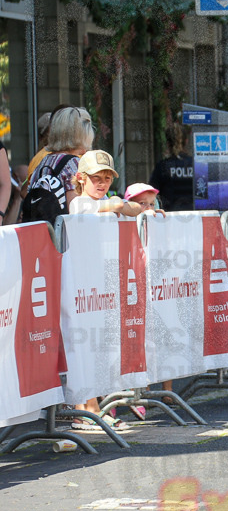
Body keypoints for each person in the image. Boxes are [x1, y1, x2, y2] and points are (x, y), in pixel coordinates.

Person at [68, 150, 152, 430]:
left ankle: (92, 409)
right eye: (96, 178)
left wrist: (127, 206)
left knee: (99, 347)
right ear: (81, 179)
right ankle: (86, 409)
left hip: (100, 286)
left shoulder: (106, 201)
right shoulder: (78, 203)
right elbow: (112, 207)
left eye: (106, 178)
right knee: (84, 347)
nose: (102, 183)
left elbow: (129, 208)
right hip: (81, 288)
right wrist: (116, 205)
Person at [24, 107, 94, 225]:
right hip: (64, 237)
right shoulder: (73, 163)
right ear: (79, 134)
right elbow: (77, 209)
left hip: (42, 233)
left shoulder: (43, 162)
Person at [149, 122, 194, 211]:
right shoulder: (196, 165)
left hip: (169, 218)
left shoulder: (162, 166)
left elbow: (151, 194)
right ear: (186, 141)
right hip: (196, 217)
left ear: (167, 143)